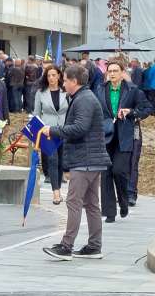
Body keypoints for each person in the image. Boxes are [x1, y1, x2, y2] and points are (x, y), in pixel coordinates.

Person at [41, 64, 111, 260]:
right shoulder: (83, 97)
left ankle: (66, 246)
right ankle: (94, 246)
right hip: (91, 159)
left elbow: (79, 128)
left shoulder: (84, 99)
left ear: (74, 81)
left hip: (85, 160)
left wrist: (53, 130)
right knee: (91, 204)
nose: (63, 84)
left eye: (65, 80)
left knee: (73, 201)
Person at [95, 58, 151, 223]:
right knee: (105, 174)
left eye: (115, 71)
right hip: (105, 136)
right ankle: (109, 212)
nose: (112, 74)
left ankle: (124, 201)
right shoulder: (100, 90)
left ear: (122, 73)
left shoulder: (132, 90)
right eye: (109, 71)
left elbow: (147, 109)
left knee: (119, 171)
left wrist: (131, 112)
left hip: (124, 136)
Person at [32, 64, 68, 205]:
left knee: (60, 162)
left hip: (64, 130)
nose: (51, 78)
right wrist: (37, 135)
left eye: (54, 75)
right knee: (52, 160)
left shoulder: (65, 91)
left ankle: (58, 186)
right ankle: (56, 193)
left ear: (59, 75)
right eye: (49, 75)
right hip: (47, 131)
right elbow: (36, 114)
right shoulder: (41, 93)